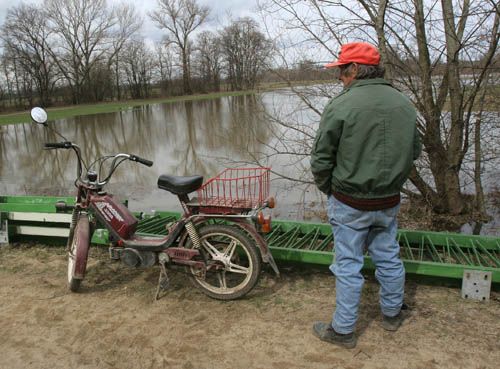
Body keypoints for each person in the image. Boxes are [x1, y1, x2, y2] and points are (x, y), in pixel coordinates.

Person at [310, 42, 421, 349]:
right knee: (388, 256)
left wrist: (329, 189)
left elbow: (321, 159)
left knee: (347, 264)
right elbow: (414, 151)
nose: (340, 79)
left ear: (355, 69)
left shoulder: (341, 105)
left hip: (349, 201)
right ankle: (392, 314)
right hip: (388, 200)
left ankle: (344, 331)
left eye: (342, 72)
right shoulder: (404, 103)